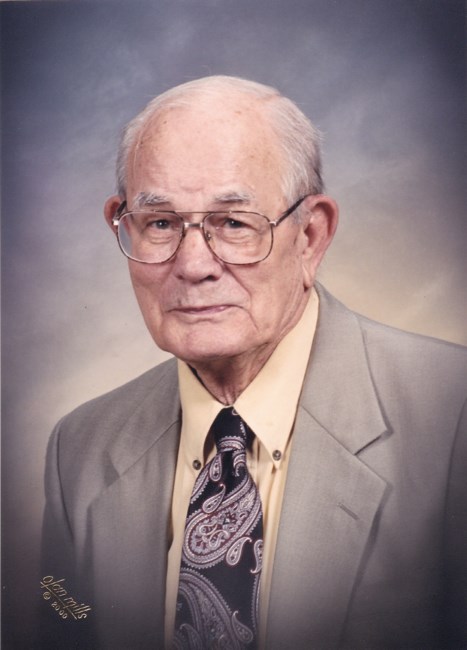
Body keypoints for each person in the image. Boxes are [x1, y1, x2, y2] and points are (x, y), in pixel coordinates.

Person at [41, 75, 467, 650]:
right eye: (161, 223)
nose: (194, 265)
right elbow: (62, 615)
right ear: (123, 225)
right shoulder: (79, 449)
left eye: (234, 223)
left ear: (310, 236)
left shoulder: (452, 414)